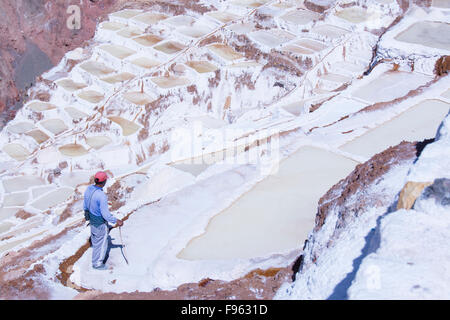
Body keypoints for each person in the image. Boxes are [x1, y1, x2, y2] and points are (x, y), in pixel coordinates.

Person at [83, 171, 123, 270]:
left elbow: (85, 205)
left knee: (96, 241)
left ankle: (95, 260)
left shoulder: (89, 189)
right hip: (100, 223)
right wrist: (116, 220)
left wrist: (88, 217)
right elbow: (105, 214)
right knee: (101, 244)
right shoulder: (101, 196)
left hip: (92, 221)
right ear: (104, 181)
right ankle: (97, 264)